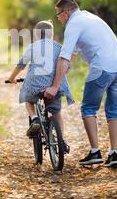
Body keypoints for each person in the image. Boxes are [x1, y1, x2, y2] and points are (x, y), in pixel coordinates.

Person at [45, 0, 117, 167]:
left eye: (58, 15)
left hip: (102, 68)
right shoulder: (90, 18)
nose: (59, 19)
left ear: (67, 12)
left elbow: (64, 56)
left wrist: (54, 86)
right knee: (114, 112)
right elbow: (73, 56)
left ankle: (95, 152)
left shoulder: (73, 24)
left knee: (88, 109)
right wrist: (60, 77)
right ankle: (114, 154)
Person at [6, 20, 74, 153]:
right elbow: (67, 66)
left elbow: (21, 64)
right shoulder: (58, 47)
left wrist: (11, 78)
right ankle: (62, 141)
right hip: (54, 86)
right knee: (56, 112)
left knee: (29, 100)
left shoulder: (32, 47)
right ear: (52, 34)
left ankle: (34, 118)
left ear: (36, 35)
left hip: (35, 85)